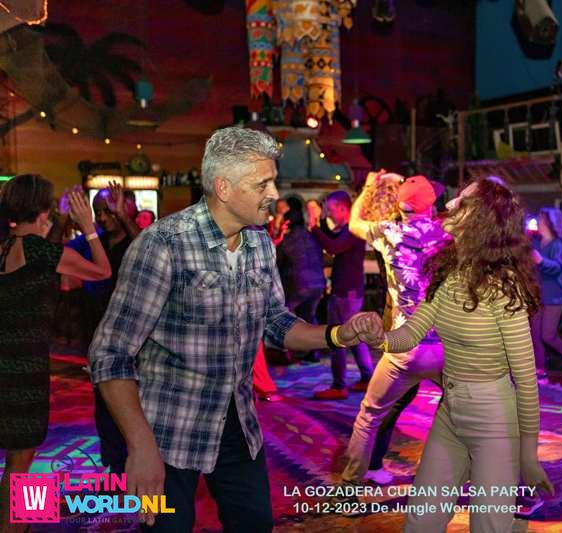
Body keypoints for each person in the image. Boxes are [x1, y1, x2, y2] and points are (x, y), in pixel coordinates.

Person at [88, 127, 383, 532]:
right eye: (262, 184)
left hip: (238, 426)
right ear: (223, 187)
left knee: (255, 524)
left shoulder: (259, 244)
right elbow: (110, 352)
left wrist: (338, 335)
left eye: (272, 181)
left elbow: (275, 322)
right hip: (166, 431)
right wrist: (139, 447)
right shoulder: (163, 244)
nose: (274, 193)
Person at [369, 177, 554, 532]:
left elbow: (526, 379)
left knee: (489, 527)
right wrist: (376, 336)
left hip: (494, 419)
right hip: (450, 414)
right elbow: (410, 335)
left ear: (482, 219)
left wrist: (528, 457)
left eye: (462, 202)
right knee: (420, 523)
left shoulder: (504, 287)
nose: (450, 205)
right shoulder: (449, 273)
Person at [0, 175, 111, 532]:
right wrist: (89, 228)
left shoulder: (5, 248)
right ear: (43, 210)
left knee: (16, 460)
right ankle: (16, 527)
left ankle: (21, 524)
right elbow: (102, 270)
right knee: (22, 461)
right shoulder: (42, 252)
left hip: (7, 359)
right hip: (26, 368)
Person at [341, 171, 449, 490]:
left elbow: (354, 222)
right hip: (444, 345)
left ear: (401, 206)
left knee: (369, 416)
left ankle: (349, 489)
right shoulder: (446, 235)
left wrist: (369, 185)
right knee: (470, 412)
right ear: (430, 205)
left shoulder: (390, 232)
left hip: (405, 345)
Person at [68, 182, 141, 476]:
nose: (102, 217)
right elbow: (55, 250)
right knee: (105, 404)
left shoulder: (137, 238)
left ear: (127, 209)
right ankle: (115, 468)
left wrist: (121, 215)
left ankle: (139, 465)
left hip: (134, 337)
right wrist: (64, 218)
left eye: (108, 211)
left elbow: (147, 246)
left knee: (135, 404)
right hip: (99, 334)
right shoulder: (92, 241)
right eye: (98, 211)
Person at [309, 190, 374, 399]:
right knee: (355, 335)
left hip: (346, 292)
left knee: (337, 337)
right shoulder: (349, 229)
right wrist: (320, 223)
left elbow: (334, 246)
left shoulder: (353, 230)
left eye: (331, 209)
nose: (329, 214)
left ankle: (339, 386)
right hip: (350, 290)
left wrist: (313, 227)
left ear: (342, 208)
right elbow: (333, 239)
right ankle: (367, 377)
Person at [530, 207, 562, 382]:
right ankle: (540, 369)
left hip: (554, 296)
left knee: (547, 335)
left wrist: (540, 261)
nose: (537, 222)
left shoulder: (557, 245)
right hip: (537, 295)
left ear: (550, 223)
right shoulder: (536, 243)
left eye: (541, 219)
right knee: (536, 334)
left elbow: (558, 268)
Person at [277, 207, 326, 362]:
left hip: (300, 285)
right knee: (310, 316)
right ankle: (314, 352)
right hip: (318, 284)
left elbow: (277, 261)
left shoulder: (289, 239)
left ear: (288, 222)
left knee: (285, 315)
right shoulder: (311, 236)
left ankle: (287, 354)